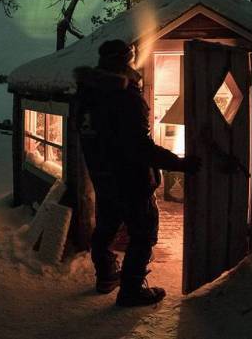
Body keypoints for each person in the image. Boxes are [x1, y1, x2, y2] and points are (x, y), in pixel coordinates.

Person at [73, 39, 201, 307]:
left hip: (102, 175)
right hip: (131, 179)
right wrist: (181, 164)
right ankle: (131, 291)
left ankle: (106, 275)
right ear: (127, 61)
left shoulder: (84, 95)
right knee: (142, 234)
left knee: (106, 228)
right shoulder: (125, 97)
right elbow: (139, 147)